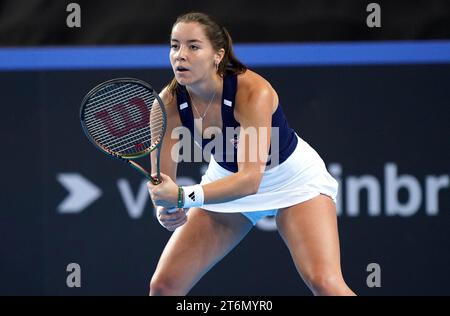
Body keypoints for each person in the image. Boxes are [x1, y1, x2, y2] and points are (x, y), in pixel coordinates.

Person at [147, 12, 355, 296]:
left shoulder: (253, 92)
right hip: (225, 181)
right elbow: (165, 183)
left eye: (193, 46)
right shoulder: (166, 107)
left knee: (325, 283)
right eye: (174, 46)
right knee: (163, 287)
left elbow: (249, 181)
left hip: (292, 181)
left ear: (217, 55)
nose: (180, 55)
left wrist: (183, 197)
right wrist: (165, 208)